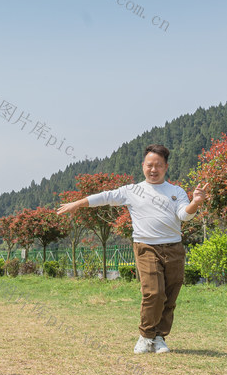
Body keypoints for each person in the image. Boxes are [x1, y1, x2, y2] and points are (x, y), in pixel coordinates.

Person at [57, 144, 207, 354]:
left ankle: (159, 337)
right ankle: (145, 336)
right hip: (146, 247)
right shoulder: (132, 190)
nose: (153, 170)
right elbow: (106, 196)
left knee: (170, 295)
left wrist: (196, 202)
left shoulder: (176, 191)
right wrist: (78, 203)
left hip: (174, 248)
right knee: (154, 293)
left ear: (166, 167)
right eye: (149, 165)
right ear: (143, 166)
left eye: (158, 166)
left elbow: (184, 215)